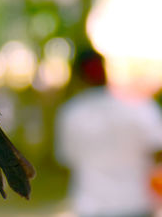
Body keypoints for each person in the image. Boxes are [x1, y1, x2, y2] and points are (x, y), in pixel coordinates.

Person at [55, 49, 162, 217]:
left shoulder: (71, 113)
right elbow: (157, 150)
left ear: (78, 76)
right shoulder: (141, 106)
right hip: (136, 201)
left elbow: (67, 157)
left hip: (92, 204)